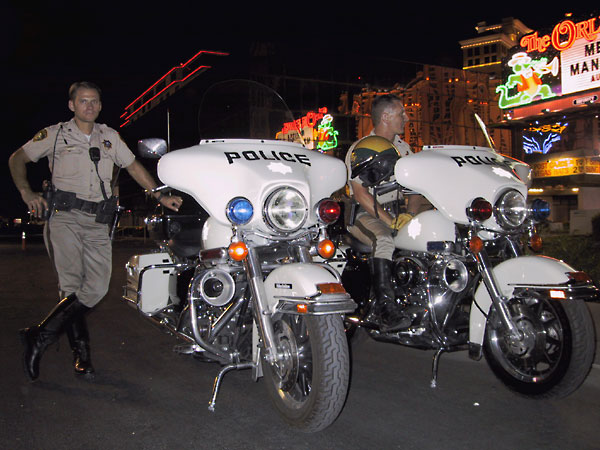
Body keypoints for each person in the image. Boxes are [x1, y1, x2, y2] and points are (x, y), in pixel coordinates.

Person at [9, 81, 183, 381]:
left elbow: (133, 167)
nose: (89, 106)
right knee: (71, 289)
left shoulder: (109, 137)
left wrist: (159, 194)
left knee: (98, 288)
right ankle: (82, 356)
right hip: (64, 218)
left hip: (98, 222)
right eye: (83, 101)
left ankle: (39, 335)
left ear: (100, 106)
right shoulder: (55, 135)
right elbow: (17, 159)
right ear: (72, 105)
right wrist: (26, 193)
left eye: (94, 101)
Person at [344, 94, 419, 331]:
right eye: (401, 114)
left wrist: (412, 217)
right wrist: (391, 221)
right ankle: (386, 310)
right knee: (384, 239)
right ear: (385, 117)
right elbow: (360, 194)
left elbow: (415, 189)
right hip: (364, 214)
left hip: (397, 212)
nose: (406, 118)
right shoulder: (361, 149)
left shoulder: (403, 148)